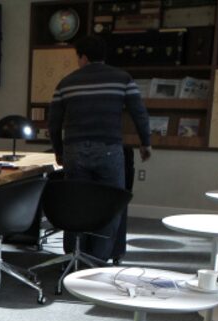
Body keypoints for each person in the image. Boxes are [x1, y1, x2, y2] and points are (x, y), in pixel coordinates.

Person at [48, 34, 151, 263]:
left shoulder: (66, 83)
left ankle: (74, 256)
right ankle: (98, 260)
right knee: (110, 204)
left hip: (74, 151)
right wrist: (145, 143)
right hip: (108, 150)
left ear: (83, 57)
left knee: (77, 204)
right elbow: (139, 113)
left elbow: (53, 123)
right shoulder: (122, 79)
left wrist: (58, 151)